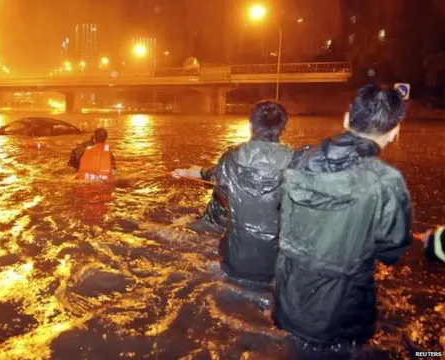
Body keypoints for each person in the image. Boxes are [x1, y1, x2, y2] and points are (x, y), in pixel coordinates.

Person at [272, 84, 412, 346]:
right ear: (395, 131)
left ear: (347, 118)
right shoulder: (386, 182)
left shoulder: (299, 159)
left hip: (287, 304)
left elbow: (282, 213)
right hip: (341, 320)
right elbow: (392, 251)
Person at [172, 100, 293, 284]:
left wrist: (184, 172)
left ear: (251, 124)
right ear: (282, 127)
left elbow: (210, 176)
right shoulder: (298, 162)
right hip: (278, 264)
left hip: (235, 261)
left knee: (176, 230)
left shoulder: (231, 159)